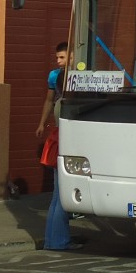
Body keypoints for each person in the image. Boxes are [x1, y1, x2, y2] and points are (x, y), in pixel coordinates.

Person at [37, 41, 81, 251]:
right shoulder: (64, 105)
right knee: (61, 196)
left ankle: (52, 240)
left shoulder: (59, 104)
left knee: (57, 196)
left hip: (58, 142)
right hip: (65, 145)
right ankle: (58, 241)